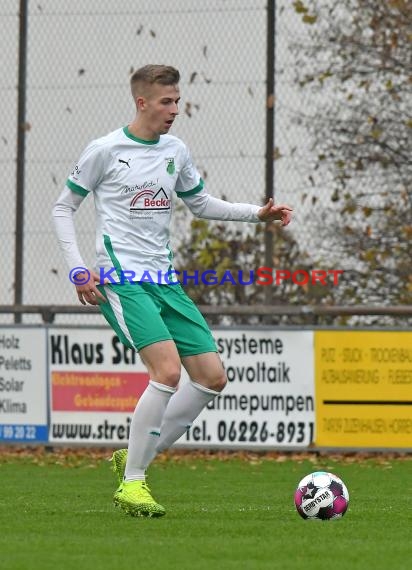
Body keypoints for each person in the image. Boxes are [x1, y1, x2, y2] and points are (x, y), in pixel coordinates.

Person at [52, 64, 292, 518]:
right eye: (167, 101)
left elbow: (199, 203)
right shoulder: (105, 150)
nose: (175, 109)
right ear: (142, 102)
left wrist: (255, 214)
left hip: (166, 280)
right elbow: (63, 207)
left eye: (178, 101)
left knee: (212, 377)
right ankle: (133, 484)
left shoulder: (175, 150)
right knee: (166, 372)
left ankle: (137, 455)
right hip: (122, 279)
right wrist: (79, 270)